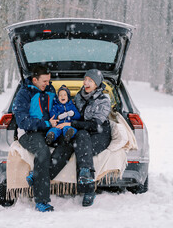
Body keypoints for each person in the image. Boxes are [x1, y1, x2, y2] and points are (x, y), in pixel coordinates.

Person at [49, 69, 112, 207]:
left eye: (90, 80)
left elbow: (95, 125)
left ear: (97, 83)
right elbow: (71, 112)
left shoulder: (103, 100)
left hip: (99, 134)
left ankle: (88, 189)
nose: (86, 82)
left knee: (81, 143)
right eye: (85, 79)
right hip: (81, 131)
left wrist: (71, 123)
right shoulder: (79, 96)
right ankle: (44, 175)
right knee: (68, 142)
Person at [12, 65, 58, 212]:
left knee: (69, 145)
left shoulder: (50, 90)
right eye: (44, 81)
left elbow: (57, 108)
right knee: (43, 152)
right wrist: (45, 123)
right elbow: (23, 122)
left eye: (49, 81)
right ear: (34, 79)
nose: (47, 84)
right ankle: (41, 201)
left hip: (49, 130)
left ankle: (37, 175)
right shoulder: (24, 94)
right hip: (29, 133)